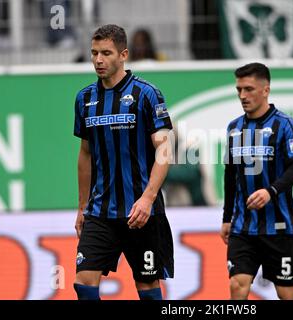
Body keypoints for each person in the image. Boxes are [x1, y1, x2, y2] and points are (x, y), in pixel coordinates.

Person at [73, 24, 174, 300]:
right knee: (83, 281)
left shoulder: (146, 94)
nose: (98, 60)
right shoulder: (84, 99)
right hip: (100, 212)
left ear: (123, 54)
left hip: (140, 212)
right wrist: (82, 206)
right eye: (94, 53)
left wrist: (147, 198)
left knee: (147, 287)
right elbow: (85, 154)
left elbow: (165, 150)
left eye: (106, 53)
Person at [220, 62, 293, 300]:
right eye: (239, 89)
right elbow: (230, 175)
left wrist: (270, 191)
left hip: (279, 226)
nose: (242, 95)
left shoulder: (285, 125)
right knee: (237, 286)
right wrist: (227, 218)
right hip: (243, 227)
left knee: (287, 294)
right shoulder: (234, 128)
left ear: (265, 90)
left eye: (248, 89)